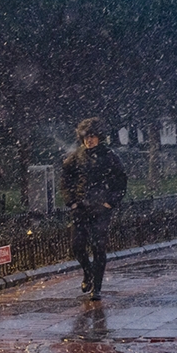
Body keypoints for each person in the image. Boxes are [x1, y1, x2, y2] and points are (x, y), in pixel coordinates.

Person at [60, 118, 127, 301]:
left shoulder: (109, 156)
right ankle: (87, 273)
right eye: (86, 137)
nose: (89, 140)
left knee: (98, 247)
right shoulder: (76, 157)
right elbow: (65, 179)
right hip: (80, 208)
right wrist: (72, 201)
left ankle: (96, 287)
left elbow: (121, 181)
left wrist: (110, 202)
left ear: (99, 137)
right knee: (77, 245)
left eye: (93, 137)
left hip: (100, 209)